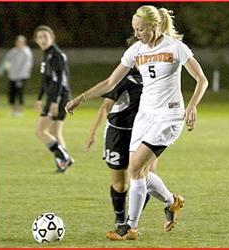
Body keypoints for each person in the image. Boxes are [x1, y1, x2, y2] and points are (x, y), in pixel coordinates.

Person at [66, 5, 208, 240]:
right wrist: (81, 98)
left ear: (154, 26)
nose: (137, 34)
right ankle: (172, 202)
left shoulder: (175, 47)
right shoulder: (136, 51)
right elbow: (111, 82)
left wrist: (192, 105)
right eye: (135, 30)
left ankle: (129, 228)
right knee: (139, 172)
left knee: (134, 170)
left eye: (141, 30)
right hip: (145, 117)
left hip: (169, 117)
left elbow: (201, 79)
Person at [85, 39, 157, 228]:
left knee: (146, 178)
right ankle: (120, 218)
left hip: (146, 135)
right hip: (119, 135)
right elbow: (105, 107)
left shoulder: (156, 78)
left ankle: (131, 223)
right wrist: (92, 133)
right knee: (120, 184)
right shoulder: (123, 79)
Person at [33, 25, 74, 173]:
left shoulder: (56, 55)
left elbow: (59, 81)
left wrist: (55, 102)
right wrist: (39, 98)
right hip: (57, 97)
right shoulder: (47, 54)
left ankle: (64, 157)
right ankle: (62, 164)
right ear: (36, 40)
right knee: (55, 133)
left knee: (40, 131)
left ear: (52, 38)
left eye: (46, 36)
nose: (43, 39)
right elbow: (46, 80)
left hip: (58, 98)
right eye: (40, 37)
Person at [0, 35, 33, 117]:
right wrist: (1, 70)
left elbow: (27, 65)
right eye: (17, 42)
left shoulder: (26, 52)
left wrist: (19, 74)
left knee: (20, 93)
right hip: (12, 76)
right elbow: (6, 61)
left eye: (20, 42)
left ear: (23, 43)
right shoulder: (13, 51)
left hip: (22, 76)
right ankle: (14, 111)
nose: (18, 43)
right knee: (11, 94)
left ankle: (19, 111)